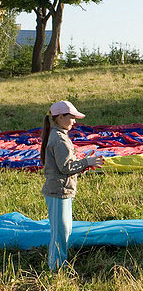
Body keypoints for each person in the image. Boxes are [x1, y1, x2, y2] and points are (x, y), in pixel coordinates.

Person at [41, 101, 104, 270]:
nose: (75, 121)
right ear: (60, 117)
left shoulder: (60, 135)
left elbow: (66, 163)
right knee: (60, 233)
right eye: (72, 117)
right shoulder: (59, 139)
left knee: (65, 230)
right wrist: (86, 162)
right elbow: (66, 167)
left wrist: (83, 162)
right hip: (58, 192)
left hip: (63, 191)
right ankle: (56, 269)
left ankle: (59, 265)